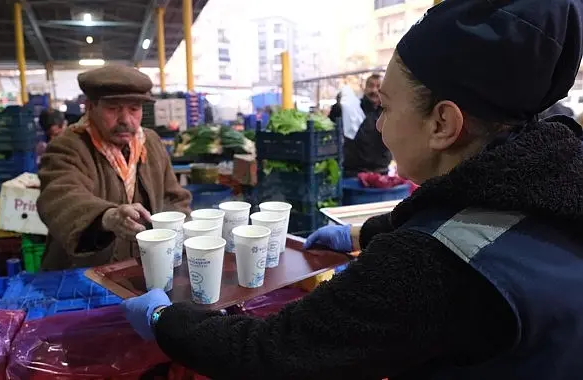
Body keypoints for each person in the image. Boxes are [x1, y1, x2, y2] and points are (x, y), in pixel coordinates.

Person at [122, 1, 583, 379]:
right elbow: (479, 220)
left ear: (443, 123)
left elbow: (272, 354)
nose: (378, 126)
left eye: (384, 107)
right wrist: (367, 233)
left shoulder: (426, 266)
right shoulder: (558, 187)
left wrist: (168, 320)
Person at [37, 65, 191, 270]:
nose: (125, 120)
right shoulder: (68, 146)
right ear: (90, 107)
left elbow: (174, 198)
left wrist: (181, 233)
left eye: (134, 109)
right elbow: (60, 196)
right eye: (113, 109)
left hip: (142, 267)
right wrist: (107, 217)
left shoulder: (150, 142)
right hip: (84, 274)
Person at [343, 74, 393, 176]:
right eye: (371, 86)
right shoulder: (354, 108)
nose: (374, 90)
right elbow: (336, 115)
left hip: (381, 171)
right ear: (365, 88)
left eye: (378, 86)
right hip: (353, 172)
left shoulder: (390, 111)